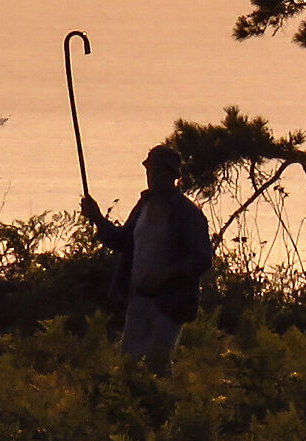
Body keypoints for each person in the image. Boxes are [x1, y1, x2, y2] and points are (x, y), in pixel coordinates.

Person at [83, 143, 214, 374]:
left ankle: (162, 397)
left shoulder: (188, 214)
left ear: (171, 175)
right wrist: (97, 218)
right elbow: (123, 241)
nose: (151, 176)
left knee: (158, 364)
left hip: (169, 304)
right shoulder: (144, 205)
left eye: (155, 170)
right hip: (139, 299)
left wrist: (165, 275)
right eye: (149, 170)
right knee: (128, 364)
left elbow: (201, 260)